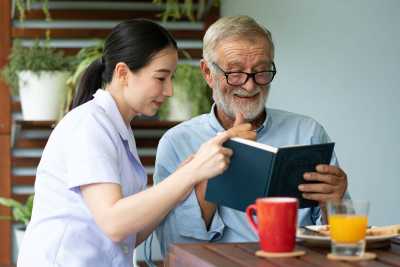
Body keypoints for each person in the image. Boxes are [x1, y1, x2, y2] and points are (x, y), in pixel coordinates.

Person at [17, 19, 253, 267]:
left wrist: (187, 178)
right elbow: (114, 223)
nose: (170, 90)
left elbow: (131, 234)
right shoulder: (89, 125)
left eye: (171, 78)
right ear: (122, 73)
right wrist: (190, 174)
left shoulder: (118, 128)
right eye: (161, 78)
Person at [154, 15, 349, 256]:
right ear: (207, 72)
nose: (249, 85)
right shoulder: (177, 142)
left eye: (261, 71)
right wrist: (213, 168)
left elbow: (339, 239)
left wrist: (336, 204)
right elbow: (170, 250)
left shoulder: (308, 132)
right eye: (235, 73)